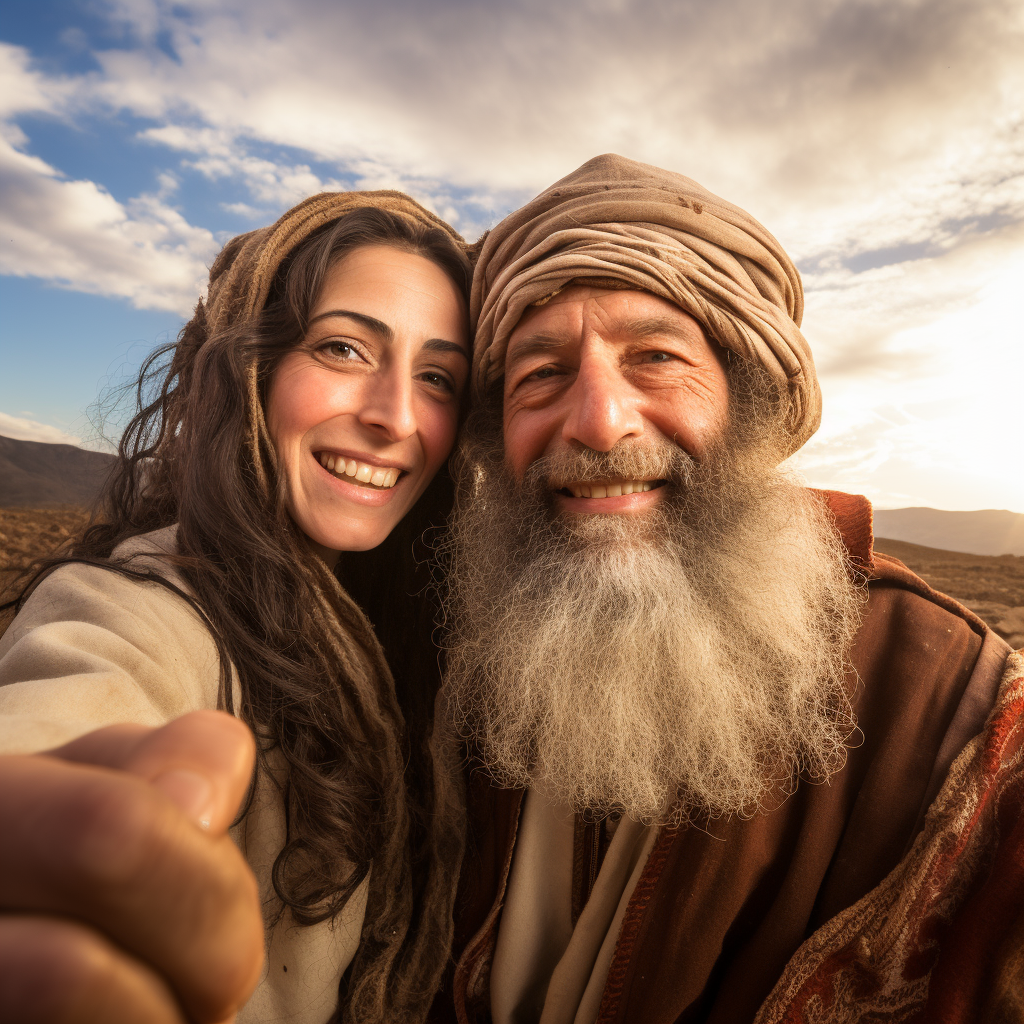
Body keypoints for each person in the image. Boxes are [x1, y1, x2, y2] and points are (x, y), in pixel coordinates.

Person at [430, 154, 1022, 1024]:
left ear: (747, 402)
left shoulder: (950, 698)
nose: (597, 420)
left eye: (657, 357)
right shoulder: (461, 662)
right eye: (541, 374)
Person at [0, 190, 472, 1023]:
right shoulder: (145, 609)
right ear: (249, 369)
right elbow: (68, 710)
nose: (396, 416)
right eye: (343, 349)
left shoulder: (421, 629)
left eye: (436, 377)